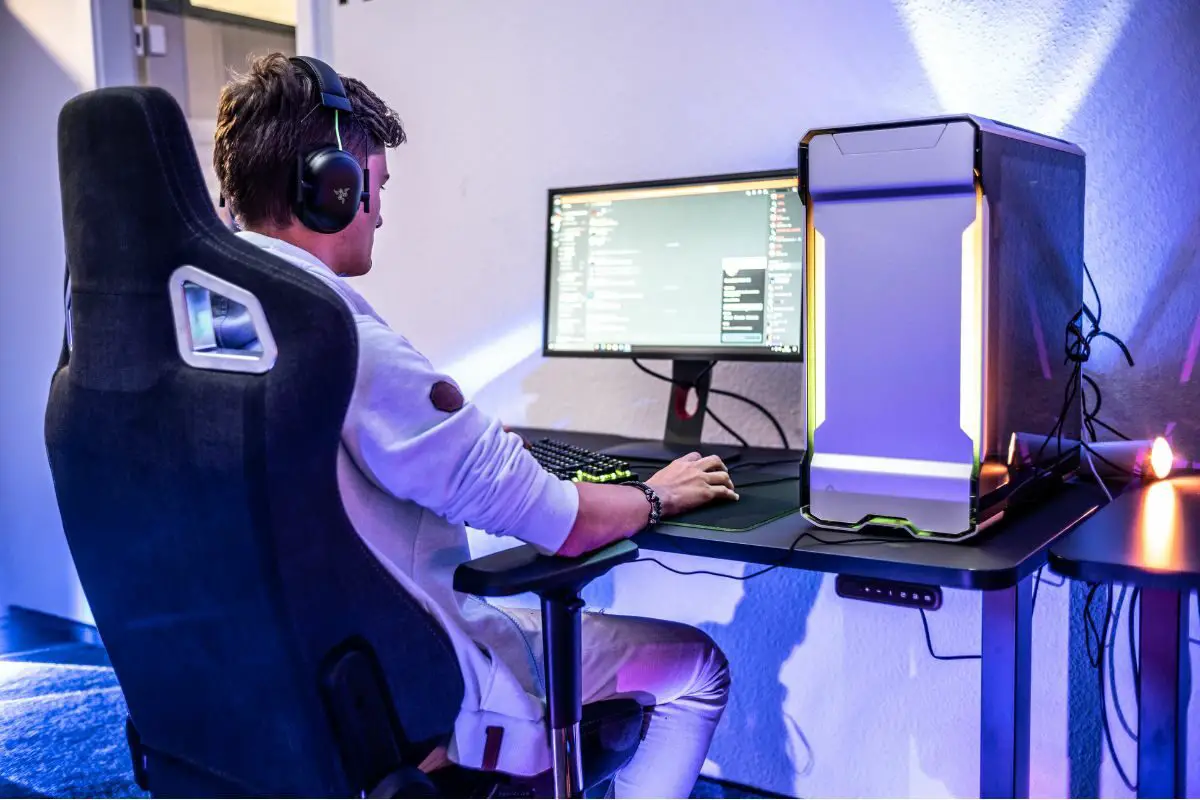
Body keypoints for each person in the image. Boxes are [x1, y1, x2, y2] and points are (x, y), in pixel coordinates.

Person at [212, 53, 735, 798]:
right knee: (699, 667)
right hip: (407, 695)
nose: (381, 212)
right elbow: (564, 524)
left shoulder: (200, 332)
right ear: (333, 188)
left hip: (268, 698)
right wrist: (656, 496)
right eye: (375, 188)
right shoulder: (338, 338)